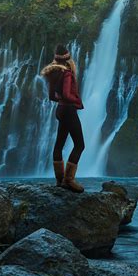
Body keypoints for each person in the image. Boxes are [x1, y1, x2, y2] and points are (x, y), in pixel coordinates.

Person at [41, 44, 85, 193]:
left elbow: (51, 96)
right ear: (68, 58)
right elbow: (67, 94)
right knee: (80, 145)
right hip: (68, 110)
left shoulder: (54, 73)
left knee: (59, 145)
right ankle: (69, 180)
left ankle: (60, 180)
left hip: (60, 109)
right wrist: (76, 100)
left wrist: (62, 99)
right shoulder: (67, 73)